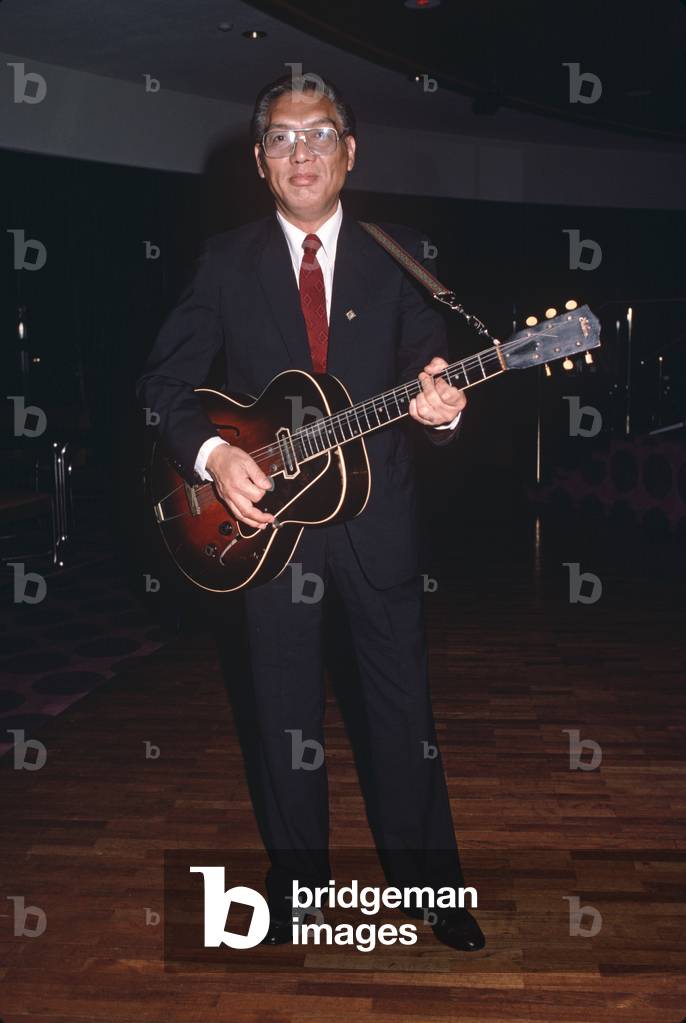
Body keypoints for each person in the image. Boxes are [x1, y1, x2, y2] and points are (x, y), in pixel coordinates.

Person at [137, 72, 484, 952]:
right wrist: (216, 457)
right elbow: (163, 387)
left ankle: (432, 890)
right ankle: (298, 887)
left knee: (403, 715)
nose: (303, 153)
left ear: (350, 151)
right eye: (284, 139)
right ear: (260, 161)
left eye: (320, 134)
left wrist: (443, 410)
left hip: (379, 524)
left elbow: (429, 379)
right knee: (281, 713)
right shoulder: (225, 263)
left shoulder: (400, 252)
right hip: (264, 532)